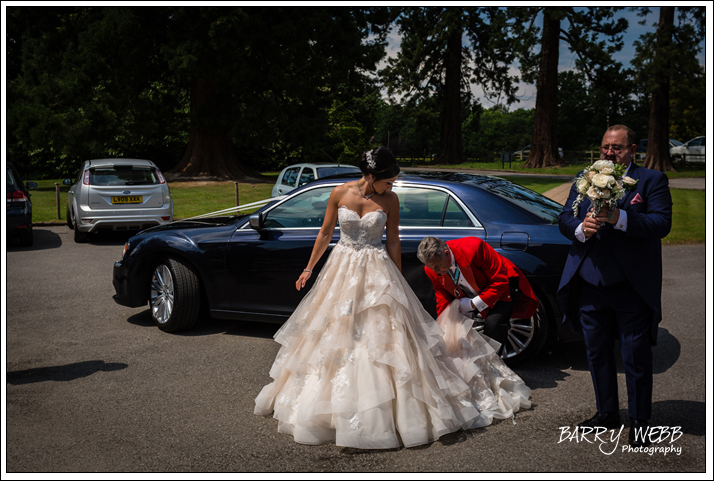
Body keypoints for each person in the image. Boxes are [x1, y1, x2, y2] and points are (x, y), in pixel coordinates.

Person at [254, 146, 531, 449]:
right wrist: (309, 268)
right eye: (388, 182)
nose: (392, 186)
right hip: (341, 266)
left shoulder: (391, 200)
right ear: (371, 177)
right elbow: (324, 233)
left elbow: (394, 240)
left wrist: (396, 279)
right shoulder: (339, 192)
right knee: (334, 329)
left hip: (377, 268)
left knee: (385, 334)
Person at [556, 125, 672, 448]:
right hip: (590, 282)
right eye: (606, 147)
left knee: (635, 355)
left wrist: (621, 218)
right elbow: (565, 218)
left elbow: (662, 223)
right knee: (597, 352)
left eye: (617, 148)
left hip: (630, 285)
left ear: (632, 149)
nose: (609, 153)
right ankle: (607, 412)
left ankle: (640, 421)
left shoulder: (650, 181)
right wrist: (582, 227)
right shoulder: (585, 177)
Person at [417, 236, 539, 356]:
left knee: (493, 324)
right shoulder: (431, 270)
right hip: (472, 292)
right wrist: (443, 325)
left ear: (447, 253)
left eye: (437, 266)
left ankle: (495, 364)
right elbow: (442, 297)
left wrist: (473, 304)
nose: (436, 271)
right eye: (431, 267)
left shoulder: (474, 248)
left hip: (503, 286)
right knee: (453, 326)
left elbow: (500, 281)